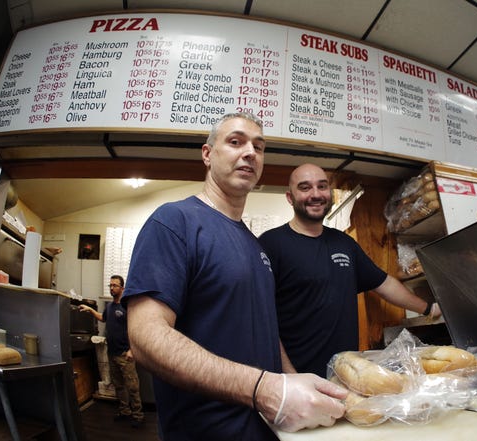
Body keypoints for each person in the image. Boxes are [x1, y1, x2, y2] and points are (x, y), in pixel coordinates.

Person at [121, 113, 346, 440]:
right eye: (236, 141)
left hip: (268, 430)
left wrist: (292, 381)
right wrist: (262, 388)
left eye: (259, 146)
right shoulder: (174, 221)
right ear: (207, 154)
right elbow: (145, 337)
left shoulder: (255, 245)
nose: (251, 153)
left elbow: (265, 328)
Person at [258, 163, 442, 377]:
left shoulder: (344, 243)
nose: (315, 194)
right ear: (290, 197)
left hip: (345, 375)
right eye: (305, 187)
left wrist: (428, 309)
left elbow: (384, 283)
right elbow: (263, 318)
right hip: (299, 379)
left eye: (322, 186)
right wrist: (291, 378)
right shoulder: (271, 244)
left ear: (330, 193)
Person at [79, 275, 144, 427]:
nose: (111, 288)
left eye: (115, 285)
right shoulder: (109, 306)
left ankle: (138, 416)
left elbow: (136, 328)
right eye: (110, 285)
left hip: (125, 354)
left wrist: (132, 349)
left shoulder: (127, 306)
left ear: (122, 288)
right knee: (119, 386)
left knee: (132, 386)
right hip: (112, 353)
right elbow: (103, 318)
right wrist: (89, 309)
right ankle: (124, 412)